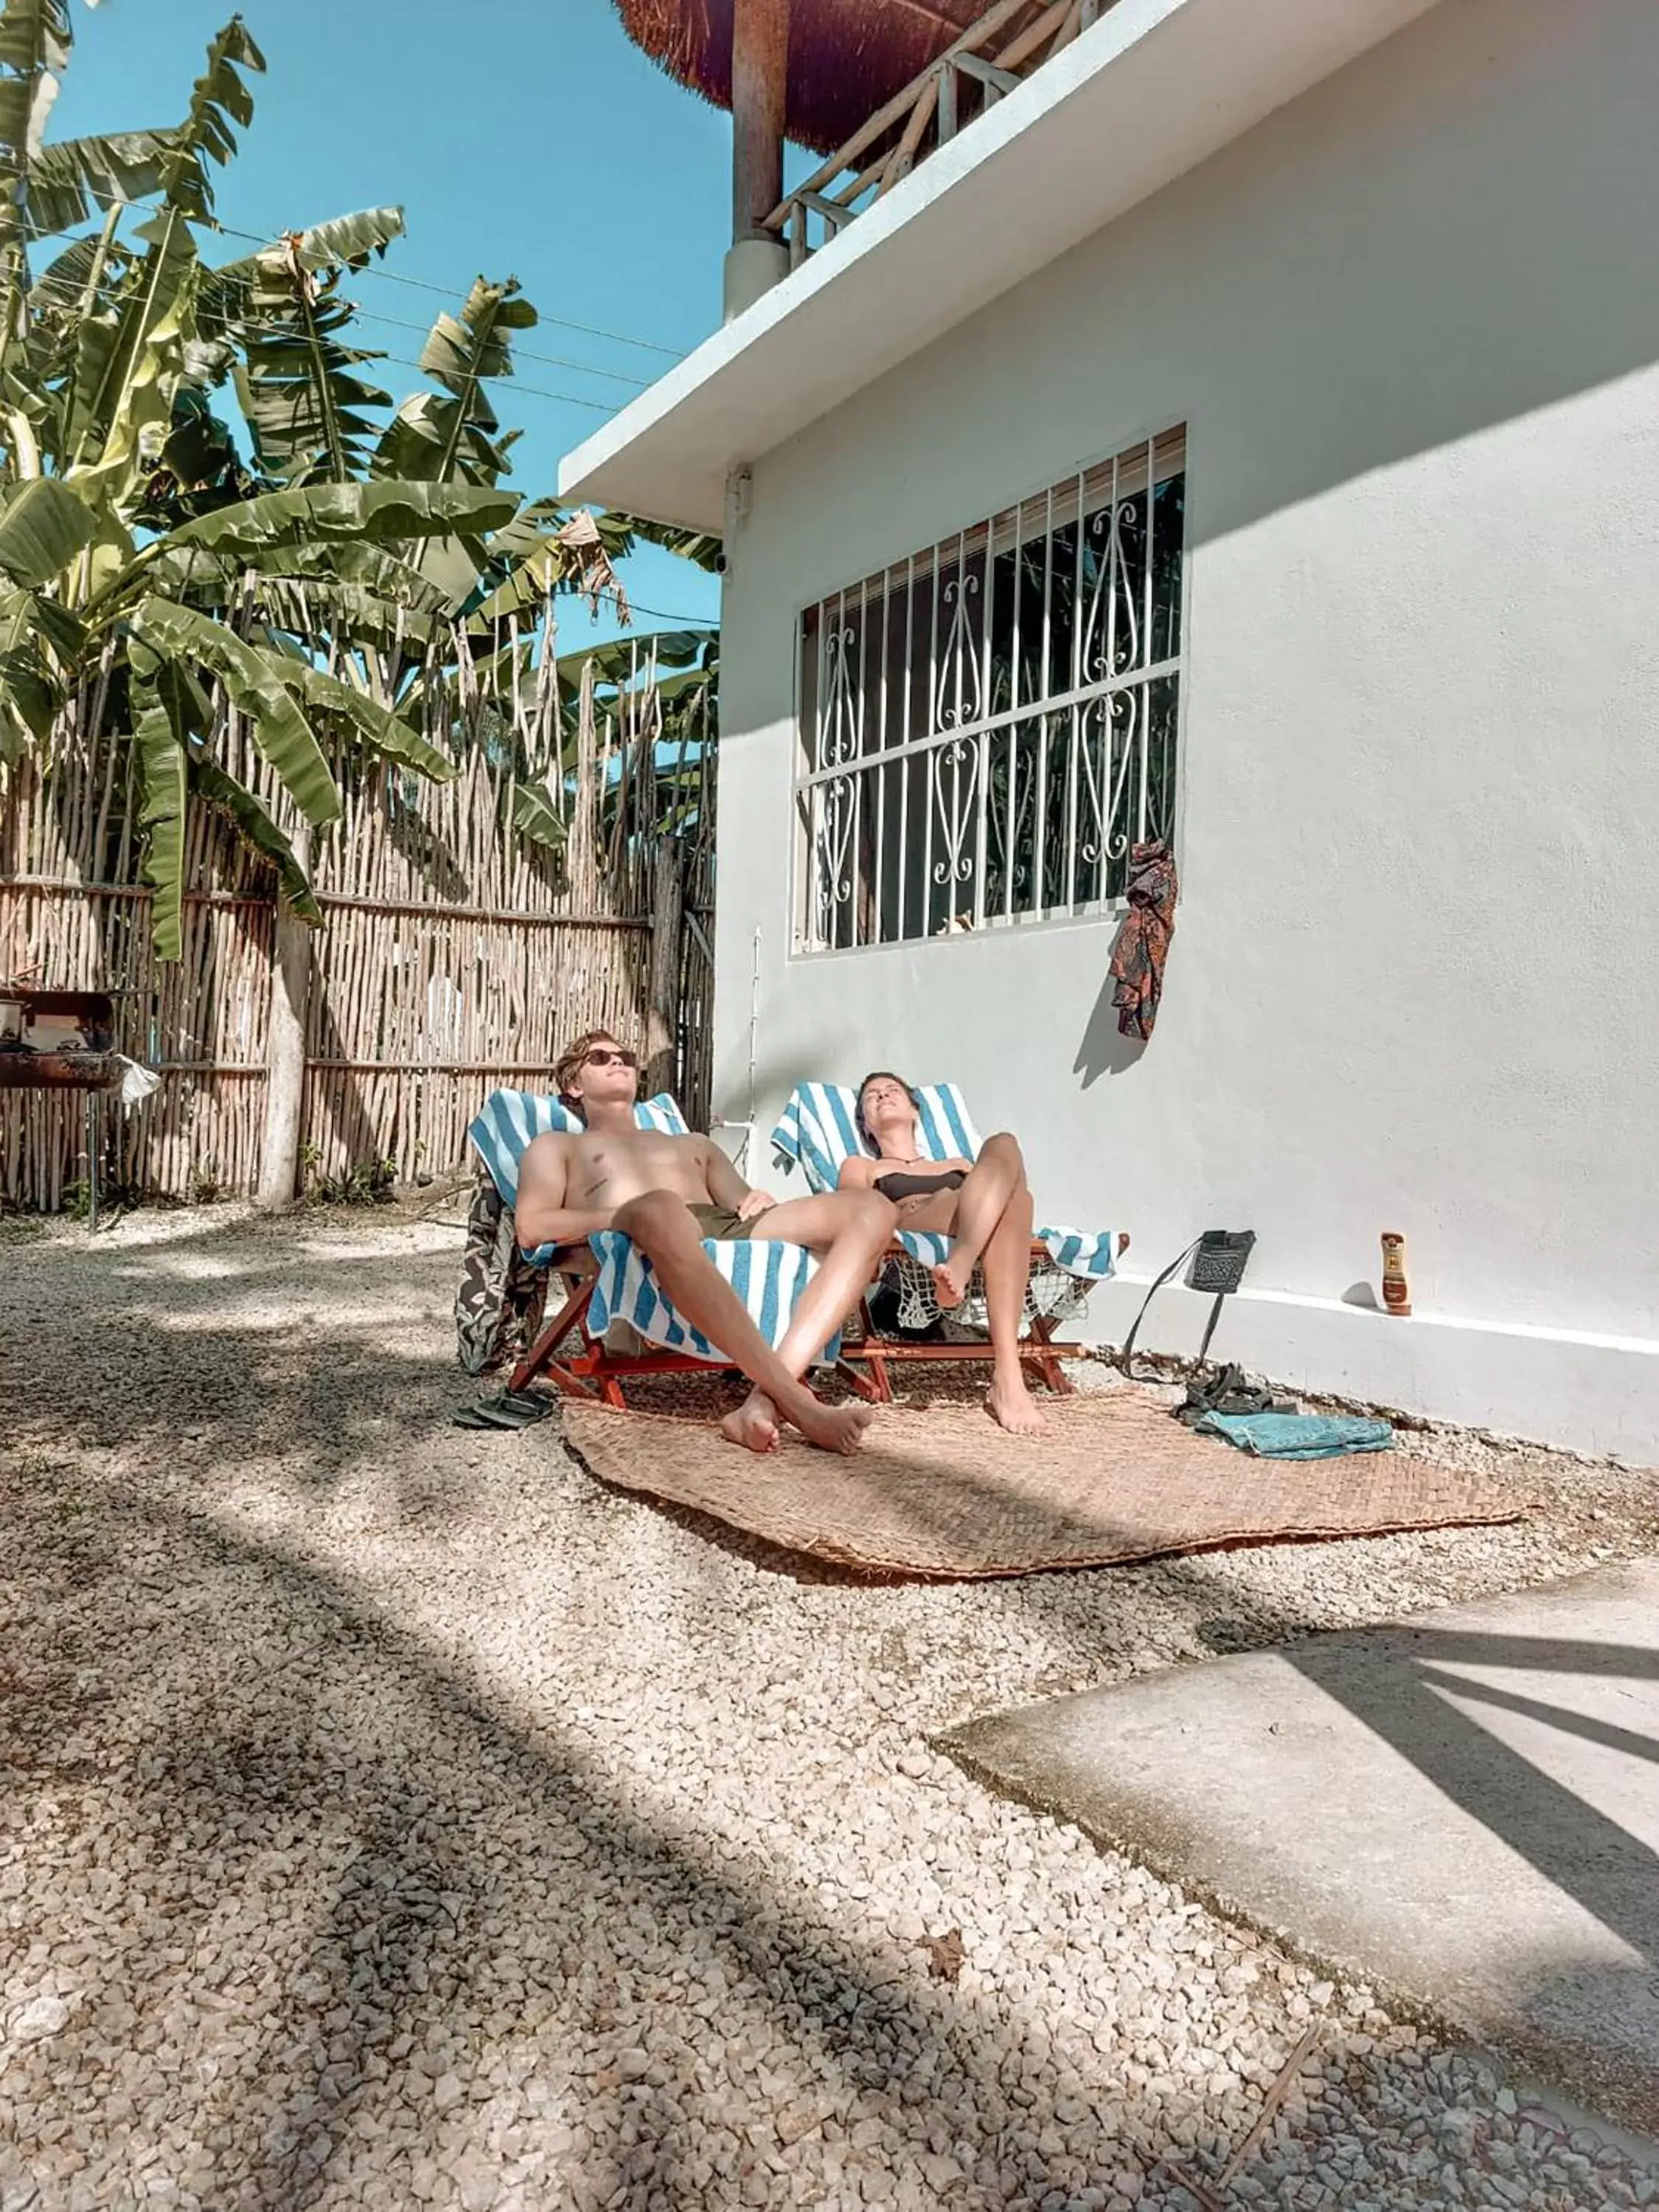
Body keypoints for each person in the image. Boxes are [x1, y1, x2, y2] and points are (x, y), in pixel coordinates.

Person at [515, 1031, 898, 1455]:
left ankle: (763, 1400)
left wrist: (755, 1197)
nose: (619, 1062)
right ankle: (801, 1407)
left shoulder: (693, 1144)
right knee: (661, 1205)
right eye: (601, 1057)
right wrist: (625, 1214)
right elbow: (533, 1227)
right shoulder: (558, 1146)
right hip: (639, 1226)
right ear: (574, 1084)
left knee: (873, 1208)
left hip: (721, 1225)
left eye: (625, 1056)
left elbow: (740, 1202)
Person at [838, 1073, 1050, 1436]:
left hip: (973, 1222)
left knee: (1005, 1149)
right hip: (915, 1216)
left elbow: (1008, 1189)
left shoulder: (958, 1162)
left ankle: (962, 1268)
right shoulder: (862, 1166)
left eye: (893, 1091)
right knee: (986, 1197)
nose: (883, 1095)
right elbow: (851, 1213)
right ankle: (1009, 1379)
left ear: (915, 1111)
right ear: (867, 1125)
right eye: (872, 1096)